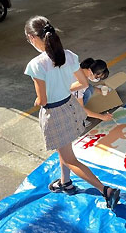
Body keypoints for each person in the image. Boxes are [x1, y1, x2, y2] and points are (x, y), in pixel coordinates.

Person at [24, 16, 120, 209]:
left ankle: (105, 191)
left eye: (28, 38)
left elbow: (42, 100)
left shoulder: (36, 64)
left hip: (54, 113)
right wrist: (63, 89)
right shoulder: (69, 55)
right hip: (70, 107)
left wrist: (41, 98)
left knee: (69, 158)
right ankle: (65, 182)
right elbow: (84, 83)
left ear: (33, 37)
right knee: (64, 149)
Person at [71, 58, 113, 125]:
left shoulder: (78, 67)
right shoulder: (80, 84)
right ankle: (76, 118)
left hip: (55, 88)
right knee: (86, 93)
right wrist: (102, 117)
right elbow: (81, 108)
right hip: (59, 101)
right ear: (91, 72)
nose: (97, 79)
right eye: (97, 77)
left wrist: (99, 90)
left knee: (89, 90)